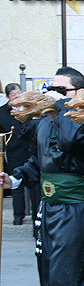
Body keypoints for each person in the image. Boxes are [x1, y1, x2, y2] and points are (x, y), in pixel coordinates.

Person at [0, 67, 84, 286]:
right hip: (48, 204)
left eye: (61, 89)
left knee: (64, 277)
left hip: (74, 206)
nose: (53, 93)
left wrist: (60, 108)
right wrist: (14, 179)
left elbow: (71, 143)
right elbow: (36, 163)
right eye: (51, 88)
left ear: (77, 93)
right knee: (48, 275)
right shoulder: (43, 123)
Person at [0, 83, 29, 225]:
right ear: (7, 97)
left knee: (34, 185)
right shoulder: (2, 112)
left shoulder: (30, 109)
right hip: (14, 153)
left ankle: (36, 214)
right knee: (16, 183)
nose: (17, 96)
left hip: (31, 151)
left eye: (19, 93)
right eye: (13, 94)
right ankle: (18, 215)